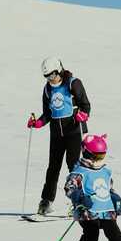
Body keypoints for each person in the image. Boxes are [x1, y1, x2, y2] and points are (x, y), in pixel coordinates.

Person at [55, 134, 121, 241]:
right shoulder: (80, 172)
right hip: (87, 211)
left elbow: (109, 188)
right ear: (87, 153)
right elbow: (69, 188)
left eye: (102, 156)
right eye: (97, 156)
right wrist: (80, 198)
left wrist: (115, 198)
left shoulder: (105, 171)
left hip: (106, 210)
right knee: (91, 237)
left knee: (118, 237)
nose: (99, 160)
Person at [27, 57, 91, 215]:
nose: (50, 79)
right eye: (46, 76)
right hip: (56, 133)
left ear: (59, 70)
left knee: (74, 166)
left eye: (52, 75)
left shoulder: (73, 83)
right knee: (53, 167)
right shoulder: (47, 89)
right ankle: (46, 201)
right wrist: (38, 123)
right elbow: (48, 113)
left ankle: (79, 201)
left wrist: (84, 115)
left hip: (74, 130)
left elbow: (85, 104)